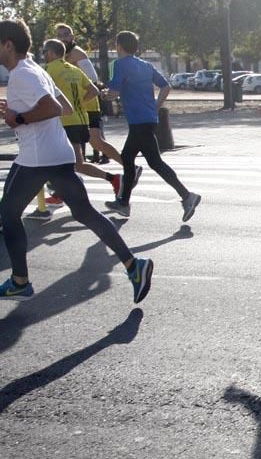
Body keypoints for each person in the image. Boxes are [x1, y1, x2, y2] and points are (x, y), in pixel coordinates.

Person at [0, 18, 152, 303]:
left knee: (8, 213)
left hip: (36, 158)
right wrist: (16, 111)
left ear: (8, 44)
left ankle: (20, 281)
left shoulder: (22, 74)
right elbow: (66, 106)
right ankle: (134, 266)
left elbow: (54, 107)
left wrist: (18, 117)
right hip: (59, 153)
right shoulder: (35, 70)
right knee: (85, 213)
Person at [102, 31, 200, 221]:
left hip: (138, 121)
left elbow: (113, 92)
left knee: (136, 160)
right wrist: (155, 106)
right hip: (148, 118)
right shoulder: (146, 65)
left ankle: (186, 196)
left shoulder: (120, 64)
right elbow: (166, 86)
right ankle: (124, 202)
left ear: (119, 46)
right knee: (146, 161)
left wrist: (104, 94)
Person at [41, 39, 122, 194]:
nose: (44, 54)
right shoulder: (75, 69)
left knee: (55, 160)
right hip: (81, 120)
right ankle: (114, 179)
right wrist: (78, 103)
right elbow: (94, 90)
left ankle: (60, 194)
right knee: (77, 164)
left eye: (44, 51)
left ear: (51, 53)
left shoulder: (48, 70)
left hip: (64, 122)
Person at [54, 23, 121, 168]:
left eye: (66, 34)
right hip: (75, 106)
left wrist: (81, 97)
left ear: (72, 36)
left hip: (87, 104)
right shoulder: (61, 56)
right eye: (59, 35)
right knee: (77, 143)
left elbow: (93, 77)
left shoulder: (77, 53)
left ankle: (128, 166)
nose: (63, 38)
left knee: (96, 141)